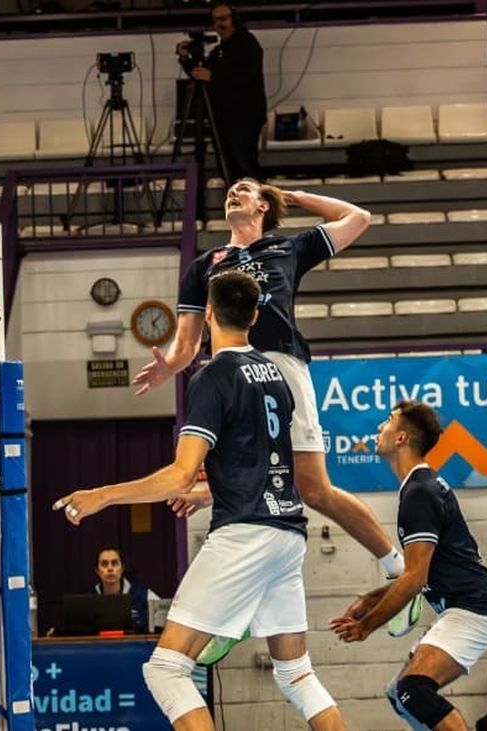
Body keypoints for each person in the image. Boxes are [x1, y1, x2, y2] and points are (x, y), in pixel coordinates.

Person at [54, 271, 347, 731]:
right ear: (254, 316)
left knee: (166, 669)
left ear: (207, 313)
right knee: (296, 673)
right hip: (288, 533)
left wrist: (102, 496)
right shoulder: (277, 377)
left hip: (245, 535)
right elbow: (267, 464)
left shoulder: (214, 377)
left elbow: (179, 473)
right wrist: (210, 491)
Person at [133, 178, 401, 661]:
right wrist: (169, 365)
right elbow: (189, 343)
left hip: (282, 366)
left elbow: (358, 218)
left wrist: (294, 198)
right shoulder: (204, 266)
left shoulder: (288, 247)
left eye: (245, 189)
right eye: (229, 191)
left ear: (262, 205)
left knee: (313, 489)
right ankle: (231, 616)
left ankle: (396, 568)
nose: (233, 193)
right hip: (231, 371)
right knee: (239, 487)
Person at [330, 402, 487, 731]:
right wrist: (372, 598)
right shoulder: (420, 488)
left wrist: (367, 625)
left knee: (413, 690)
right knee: (400, 694)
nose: (378, 429)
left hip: (476, 608)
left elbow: (414, 578)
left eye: (387, 421)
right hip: (467, 606)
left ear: (401, 438)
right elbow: (423, 571)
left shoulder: (420, 492)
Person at [176, 2, 266, 182]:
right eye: (216, 20)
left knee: (245, 165)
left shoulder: (247, 43)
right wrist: (185, 58)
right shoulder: (219, 51)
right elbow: (201, 75)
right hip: (223, 117)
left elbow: (246, 75)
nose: (220, 24)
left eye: (224, 18)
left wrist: (214, 76)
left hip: (244, 116)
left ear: (234, 19)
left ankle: (256, 206)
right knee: (229, 167)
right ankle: (236, 204)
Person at [93, 547, 160, 634]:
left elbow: (167, 616)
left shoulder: (144, 595)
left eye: (114, 563)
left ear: (122, 568)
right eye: (104, 564)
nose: (110, 568)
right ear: (97, 571)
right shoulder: (89, 598)